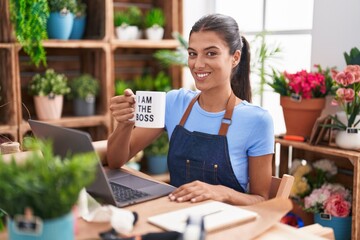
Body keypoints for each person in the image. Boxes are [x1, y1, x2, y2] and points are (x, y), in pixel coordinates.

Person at [107, 13, 274, 206]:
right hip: (176, 218)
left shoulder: (257, 120)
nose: (198, 64)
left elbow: (262, 200)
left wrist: (222, 193)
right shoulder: (174, 103)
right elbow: (115, 160)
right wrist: (125, 124)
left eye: (211, 53)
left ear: (235, 58)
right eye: (193, 53)